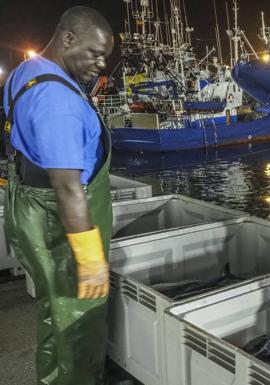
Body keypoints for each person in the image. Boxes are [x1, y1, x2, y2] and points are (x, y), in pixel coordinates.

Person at [3, 6, 114, 385]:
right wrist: (90, 259)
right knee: (77, 318)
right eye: (95, 53)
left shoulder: (28, 72)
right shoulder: (59, 103)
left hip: (29, 201)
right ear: (68, 38)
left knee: (55, 310)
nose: (101, 64)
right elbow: (67, 187)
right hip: (56, 218)